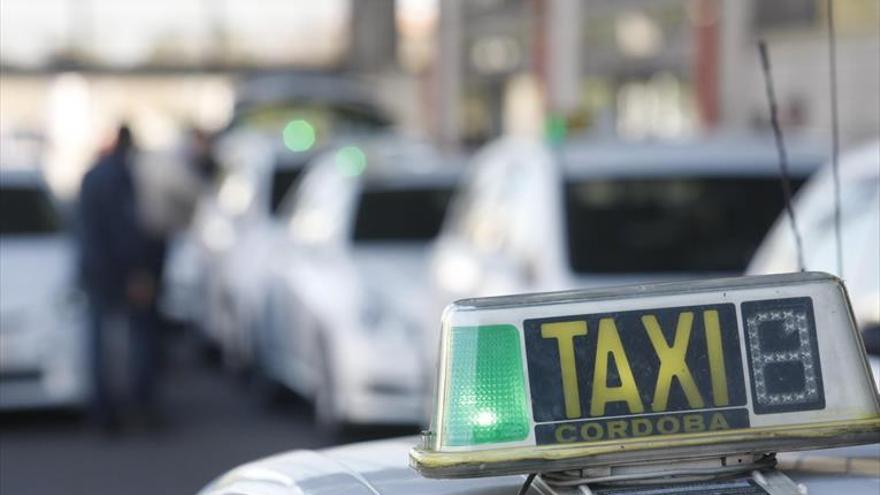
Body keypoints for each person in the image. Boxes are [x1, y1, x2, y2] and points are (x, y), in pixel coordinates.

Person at [78, 124, 167, 431]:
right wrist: (137, 272)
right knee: (139, 336)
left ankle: (102, 409)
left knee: (99, 343)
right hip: (119, 270)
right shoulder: (120, 177)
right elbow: (124, 229)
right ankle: (140, 405)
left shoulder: (92, 176)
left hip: (95, 270)